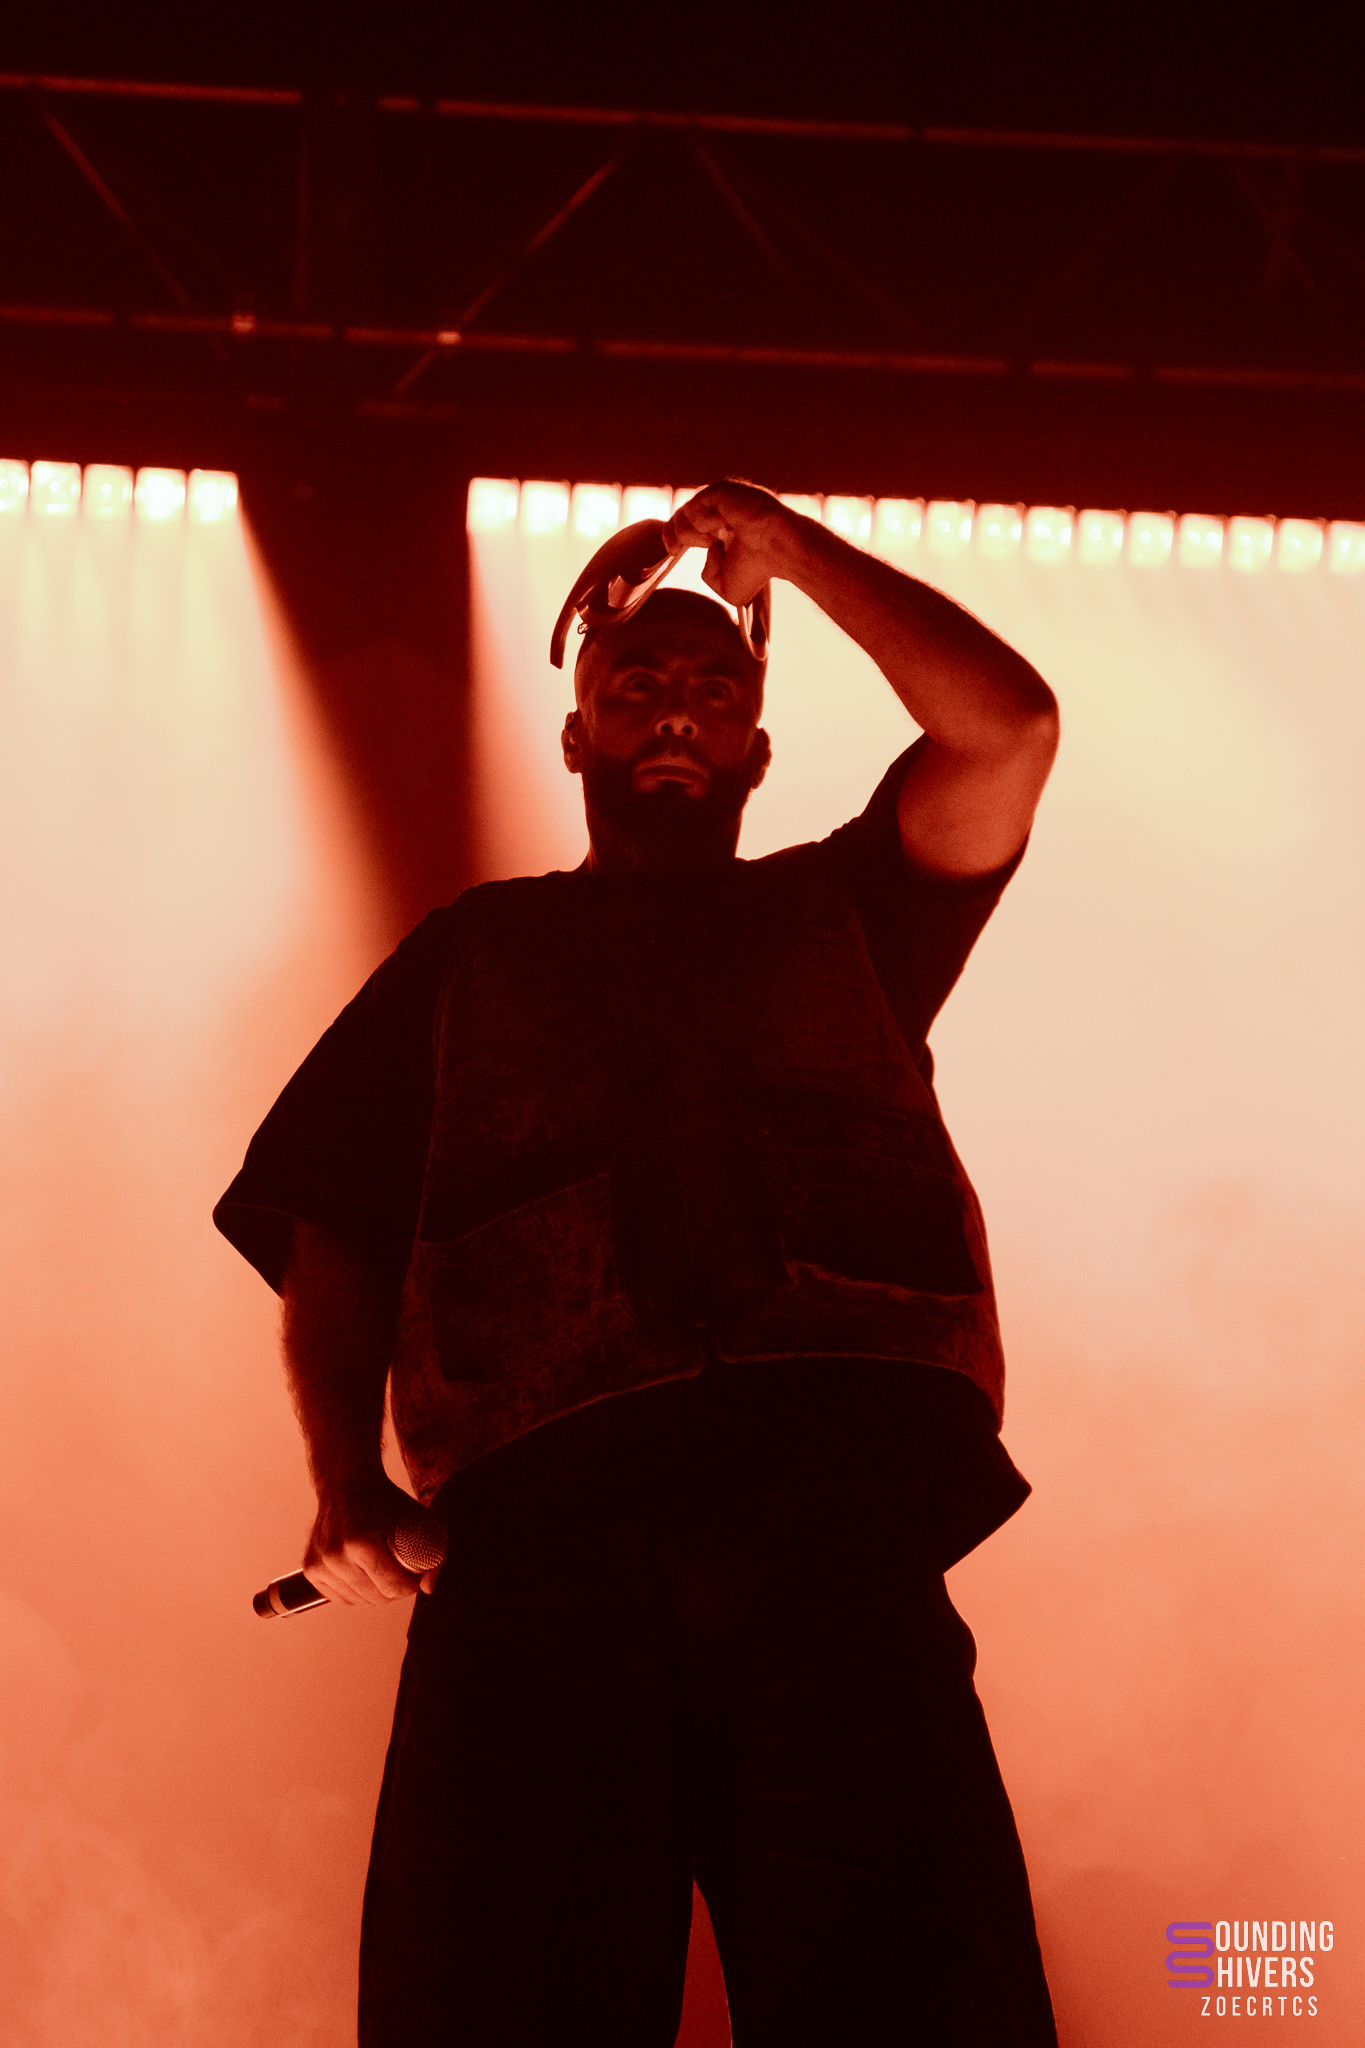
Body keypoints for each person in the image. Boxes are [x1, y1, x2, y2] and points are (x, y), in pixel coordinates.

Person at [215, 479, 1062, 2046]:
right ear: (573, 737)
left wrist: (787, 553)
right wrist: (343, 1480)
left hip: (831, 1539)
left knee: (910, 2001)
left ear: (755, 750)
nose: (675, 710)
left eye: (712, 691)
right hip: (538, 1552)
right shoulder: (470, 955)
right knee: (495, 2007)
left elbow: (1006, 728)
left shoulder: (852, 911)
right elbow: (332, 1212)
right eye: (634, 687)